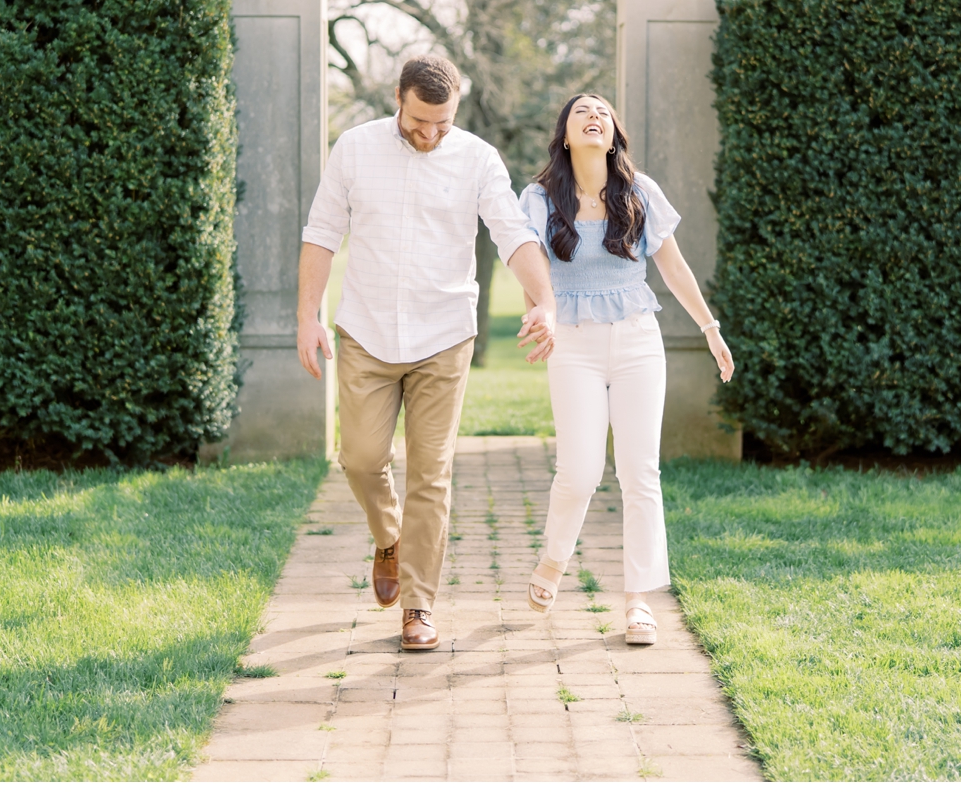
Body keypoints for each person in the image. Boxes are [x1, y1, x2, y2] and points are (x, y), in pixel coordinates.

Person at [297, 55, 557, 651]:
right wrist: (307, 317)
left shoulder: (477, 158)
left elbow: (513, 234)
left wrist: (542, 300)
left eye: (442, 121)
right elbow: (321, 231)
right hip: (365, 332)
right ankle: (388, 536)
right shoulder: (355, 148)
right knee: (360, 460)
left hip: (443, 336)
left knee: (431, 473)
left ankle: (418, 605)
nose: (431, 132)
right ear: (398, 98)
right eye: (419, 120)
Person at [520, 93, 734, 645]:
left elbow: (674, 265)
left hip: (638, 339)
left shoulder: (641, 192)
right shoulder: (539, 198)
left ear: (614, 132)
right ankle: (552, 560)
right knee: (582, 471)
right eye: (580, 111)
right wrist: (537, 314)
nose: (594, 116)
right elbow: (530, 269)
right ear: (565, 135)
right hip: (573, 344)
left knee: (640, 473)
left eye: (604, 111)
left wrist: (710, 329)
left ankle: (638, 601)